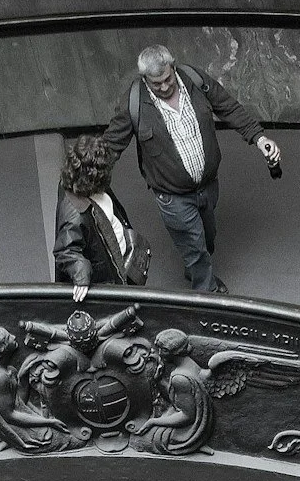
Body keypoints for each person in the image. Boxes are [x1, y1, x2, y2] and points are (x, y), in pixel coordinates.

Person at [94, 45, 282, 294]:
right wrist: (90, 177)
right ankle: (207, 295)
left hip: (208, 186)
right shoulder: (134, 102)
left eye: (167, 79)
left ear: (174, 67)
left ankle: (195, 265)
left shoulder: (196, 80)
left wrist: (259, 138)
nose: (163, 87)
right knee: (194, 246)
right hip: (172, 197)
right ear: (144, 79)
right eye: (155, 83)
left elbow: (229, 107)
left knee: (207, 237)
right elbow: (111, 144)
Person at [52, 134, 149, 301]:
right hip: (106, 272)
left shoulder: (85, 185)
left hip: (111, 256)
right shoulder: (74, 212)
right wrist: (81, 274)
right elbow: (66, 249)